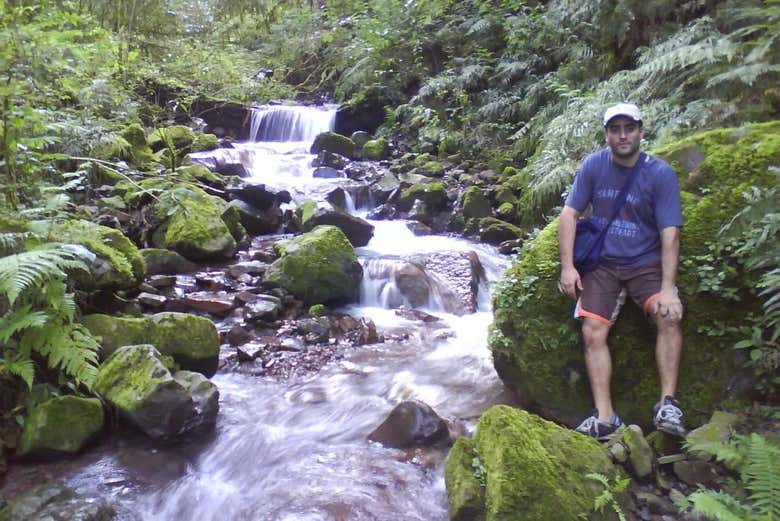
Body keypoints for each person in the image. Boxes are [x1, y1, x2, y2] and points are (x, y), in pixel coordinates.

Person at [558, 102, 687, 440]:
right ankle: (604, 416)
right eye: (615, 129)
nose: (623, 135)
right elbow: (569, 214)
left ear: (641, 132)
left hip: (646, 263)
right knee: (592, 330)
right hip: (603, 264)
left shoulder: (659, 173)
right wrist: (568, 267)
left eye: (629, 128)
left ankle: (668, 404)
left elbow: (670, 233)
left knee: (668, 317)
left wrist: (669, 288)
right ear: (607, 135)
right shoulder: (594, 166)